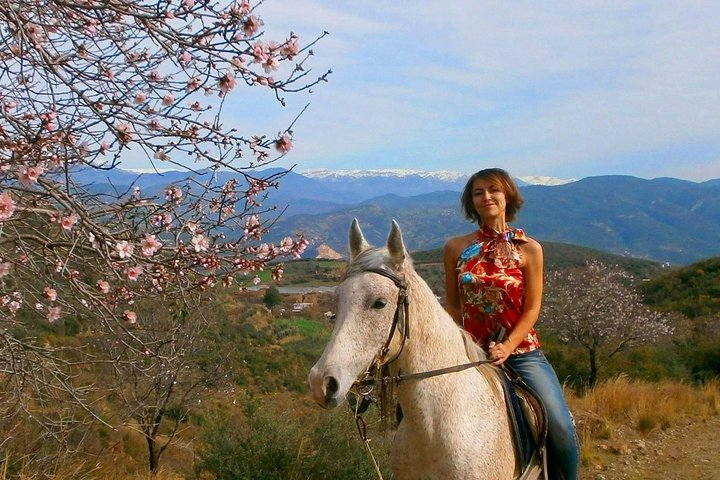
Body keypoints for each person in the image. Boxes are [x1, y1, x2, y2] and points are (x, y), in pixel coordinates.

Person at [443, 168, 579, 480]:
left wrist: (507, 346)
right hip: (469, 351)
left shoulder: (529, 249)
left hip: (522, 352)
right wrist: (456, 343)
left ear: (508, 197)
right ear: (471, 201)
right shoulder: (455, 248)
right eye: (478, 192)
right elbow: (452, 304)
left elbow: (532, 308)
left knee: (559, 423)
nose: (486, 197)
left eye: (493, 190)